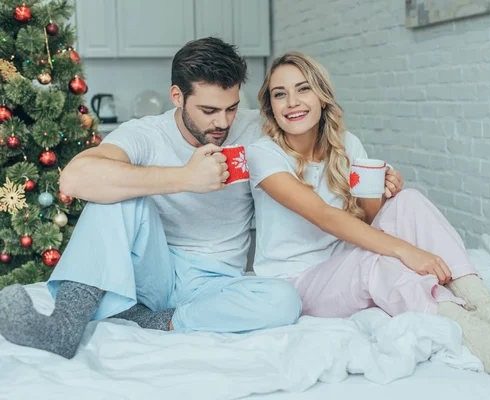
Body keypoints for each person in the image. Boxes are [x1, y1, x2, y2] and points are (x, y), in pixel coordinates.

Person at [246, 51, 490, 375]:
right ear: (270, 106)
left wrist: (382, 193)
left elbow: (368, 219)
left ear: (321, 96)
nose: (292, 102)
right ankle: (476, 335)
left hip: (345, 262)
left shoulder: (345, 144)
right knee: (376, 260)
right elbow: (325, 216)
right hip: (300, 281)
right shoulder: (262, 155)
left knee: (408, 199)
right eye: (279, 94)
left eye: (303, 89)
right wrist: (408, 252)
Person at [0, 38, 302, 360]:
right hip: (153, 272)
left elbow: (318, 135)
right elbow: (75, 178)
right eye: (208, 110)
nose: (223, 122)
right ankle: (62, 327)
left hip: (215, 282)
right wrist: (186, 178)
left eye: (231, 108)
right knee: (120, 193)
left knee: (284, 301)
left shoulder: (256, 128)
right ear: (177, 97)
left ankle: (157, 321)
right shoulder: (147, 133)